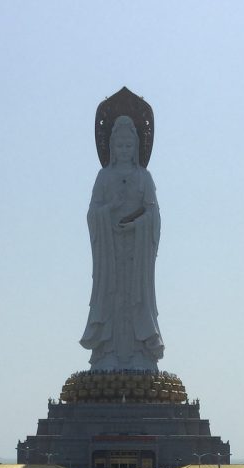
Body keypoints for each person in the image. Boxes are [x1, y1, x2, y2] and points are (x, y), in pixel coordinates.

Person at [79, 115, 163, 370]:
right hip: (111, 251)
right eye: (120, 146)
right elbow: (92, 213)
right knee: (111, 296)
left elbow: (154, 215)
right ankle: (107, 353)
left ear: (136, 148)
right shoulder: (104, 177)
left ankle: (141, 352)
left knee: (138, 297)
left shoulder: (144, 177)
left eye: (129, 146)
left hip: (136, 254)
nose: (124, 151)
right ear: (112, 148)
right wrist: (109, 210)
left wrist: (138, 224)